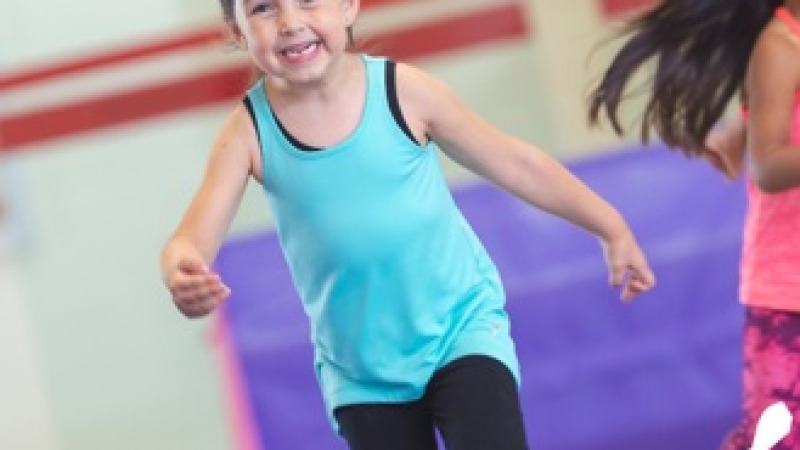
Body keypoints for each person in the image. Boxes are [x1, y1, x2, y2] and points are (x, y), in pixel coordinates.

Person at [161, 0, 656, 448]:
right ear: (237, 29)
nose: (290, 22)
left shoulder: (402, 92)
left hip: (460, 329)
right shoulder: (248, 132)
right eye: (263, 8)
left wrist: (609, 225)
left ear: (348, 6)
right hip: (361, 374)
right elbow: (190, 239)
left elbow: (517, 164)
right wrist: (181, 271)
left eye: (308, 1)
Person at [588, 0, 800, 448]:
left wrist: (738, 125)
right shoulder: (780, 46)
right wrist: (747, 126)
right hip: (787, 289)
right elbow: (768, 165)